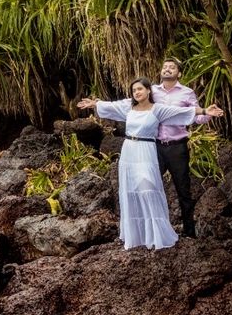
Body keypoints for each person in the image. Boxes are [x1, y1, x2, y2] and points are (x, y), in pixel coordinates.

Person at [78, 77, 224, 250]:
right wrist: (95, 103)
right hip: (129, 150)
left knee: (148, 186)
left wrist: (206, 111)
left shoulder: (158, 109)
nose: (137, 92)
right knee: (131, 190)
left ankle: (156, 233)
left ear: (148, 91)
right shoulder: (129, 107)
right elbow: (111, 106)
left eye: (140, 89)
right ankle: (138, 236)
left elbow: (180, 112)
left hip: (146, 149)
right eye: (134, 90)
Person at [152, 57, 213, 238]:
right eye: (165, 67)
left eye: (172, 67)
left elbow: (196, 117)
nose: (167, 69)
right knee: (152, 187)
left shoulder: (187, 93)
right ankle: (157, 230)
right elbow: (135, 105)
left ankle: (189, 232)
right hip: (154, 147)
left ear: (179, 73)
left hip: (177, 148)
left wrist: (207, 114)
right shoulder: (152, 91)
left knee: (183, 190)